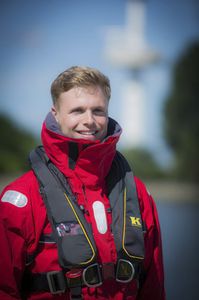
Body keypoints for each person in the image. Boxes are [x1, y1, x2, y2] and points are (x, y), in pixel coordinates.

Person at [0, 66, 165, 300]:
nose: (89, 121)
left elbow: (154, 287)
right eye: (77, 110)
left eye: (98, 110)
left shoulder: (137, 193)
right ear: (55, 113)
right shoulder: (21, 198)